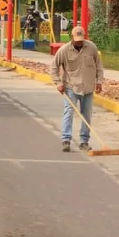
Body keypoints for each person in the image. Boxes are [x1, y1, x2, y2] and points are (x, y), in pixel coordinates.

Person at [50, 25, 103, 153]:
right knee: (68, 113)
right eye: (77, 39)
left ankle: (84, 142)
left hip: (88, 88)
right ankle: (66, 140)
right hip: (71, 87)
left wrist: (99, 81)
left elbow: (99, 66)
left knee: (87, 115)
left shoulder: (91, 48)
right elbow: (54, 67)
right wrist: (58, 83)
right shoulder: (64, 50)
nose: (79, 42)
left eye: (81, 39)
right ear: (72, 38)